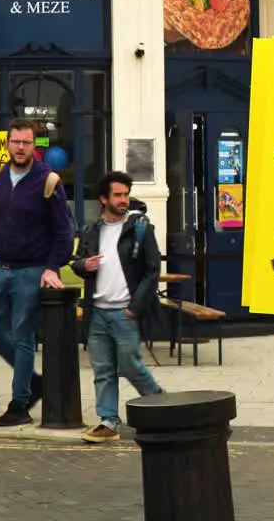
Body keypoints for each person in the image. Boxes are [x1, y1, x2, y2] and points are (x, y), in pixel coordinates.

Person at [0, 118, 75, 427]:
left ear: (35, 145)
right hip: (0, 269)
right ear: (7, 143)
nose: (20, 148)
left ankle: (19, 404)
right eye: (15, 142)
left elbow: (64, 231)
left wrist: (52, 267)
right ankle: (34, 382)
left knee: (23, 337)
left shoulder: (48, 181)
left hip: (31, 272)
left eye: (26, 143)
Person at [72, 172, 166, 443]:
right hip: (98, 312)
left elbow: (152, 270)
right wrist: (83, 266)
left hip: (125, 311)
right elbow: (77, 261)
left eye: (126, 194)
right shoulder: (91, 230)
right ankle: (108, 421)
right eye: (118, 195)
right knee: (103, 370)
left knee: (130, 365)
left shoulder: (140, 228)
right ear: (104, 198)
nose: (123, 200)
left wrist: (134, 308)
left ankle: (159, 404)